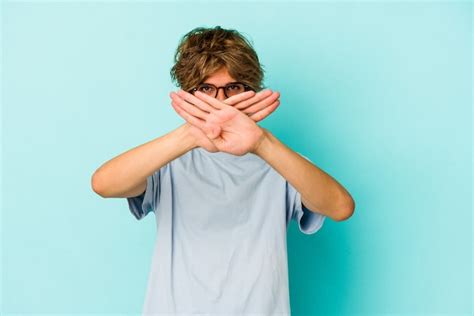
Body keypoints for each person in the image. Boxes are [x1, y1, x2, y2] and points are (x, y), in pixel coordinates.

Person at [91, 25, 355, 315]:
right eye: (206, 89)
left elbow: (341, 207)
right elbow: (103, 184)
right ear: (188, 93)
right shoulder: (167, 162)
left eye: (233, 88)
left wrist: (262, 142)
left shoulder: (281, 163)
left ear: (250, 91)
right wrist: (191, 135)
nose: (221, 101)